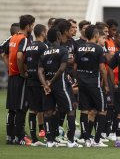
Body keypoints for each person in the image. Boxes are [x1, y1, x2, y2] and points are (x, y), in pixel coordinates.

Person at [38, 27, 82, 148]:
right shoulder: (62, 50)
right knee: (71, 110)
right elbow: (62, 68)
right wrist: (51, 82)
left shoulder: (44, 52)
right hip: (60, 85)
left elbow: (40, 70)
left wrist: (45, 84)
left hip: (47, 86)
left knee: (48, 112)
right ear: (58, 37)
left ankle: (50, 141)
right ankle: (71, 141)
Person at [75, 25, 109, 147]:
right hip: (94, 83)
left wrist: (78, 78)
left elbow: (75, 66)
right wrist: (105, 84)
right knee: (102, 110)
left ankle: (86, 139)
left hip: (82, 83)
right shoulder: (99, 49)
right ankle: (97, 140)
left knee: (85, 110)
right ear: (95, 35)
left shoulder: (79, 48)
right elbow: (102, 69)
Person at [5, 15, 35, 145]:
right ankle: (19, 137)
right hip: (19, 77)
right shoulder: (24, 38)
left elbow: (5, 53)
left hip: (12, 76)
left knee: (12, 108)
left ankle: (10, 137)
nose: (33, 28)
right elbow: (19, 57)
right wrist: (23, 72)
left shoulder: (13, 37)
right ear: (28, 26)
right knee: (21, 108)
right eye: (32, 25)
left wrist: (11, 68)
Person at [25, 24, 48, 147]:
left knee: (33, 109)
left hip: (30, 81)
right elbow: (45, 64)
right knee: (44, 109)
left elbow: (24, 61)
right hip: (39, 82)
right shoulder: (43, 46)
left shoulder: (29, 46)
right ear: (43, 33)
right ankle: (46, 134)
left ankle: (34, 137)